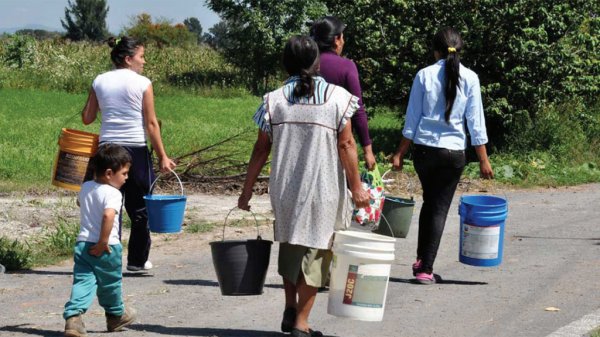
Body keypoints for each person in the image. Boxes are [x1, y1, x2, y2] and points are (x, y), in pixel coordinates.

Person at [238, 35, 370, 337]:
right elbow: (347, 143)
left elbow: (260, 149)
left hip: (285, 189)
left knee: (291, 246)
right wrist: (356, 186)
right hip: (322, 189)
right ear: (317, 62)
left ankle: (289, 308)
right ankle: (301, 322)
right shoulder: (338, 98)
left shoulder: (273, 100)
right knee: (316, 253)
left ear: (286, 63)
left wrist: (246, 191)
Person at [391, 27, 494, 285]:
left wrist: (400, 153)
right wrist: (483, 159)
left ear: (436, 50)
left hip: (425, 151)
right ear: (459, 49)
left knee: (430, 202)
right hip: (453, 153)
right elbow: (475, 122)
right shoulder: (471, 78)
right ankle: (425, 265)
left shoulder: (423, 75)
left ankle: (423, 261)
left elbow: (412, 120)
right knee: (437, 207)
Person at [81, 36, 176, 272]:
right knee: (141, 208)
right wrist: (163, 156)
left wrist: (95, 95)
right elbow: (151, 124)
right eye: (141, 57)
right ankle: (137, 260)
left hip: (107, 150)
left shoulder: (99, 80)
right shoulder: (143, 83)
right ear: (128, 58)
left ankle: (107, 258)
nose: (144, 62)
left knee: (107, 204)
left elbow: (87, 118)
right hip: (135, 149)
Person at [63, 144, 137, 337]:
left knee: (82, 281)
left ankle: (73, 318)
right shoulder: (113, 193)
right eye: (124, 173)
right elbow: (108, 216)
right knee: (110, 283)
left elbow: (81, 201)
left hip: (83, 244)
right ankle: (115, 315)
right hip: (106, 247)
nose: (126, 178)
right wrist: (103, 242)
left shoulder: (86, 187)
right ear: (109, 173)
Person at [310, 16, 377, 171]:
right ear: (336, 40)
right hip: (338, 143)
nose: (344, 42)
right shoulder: (346, 66)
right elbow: (357, 109)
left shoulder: (306, 64)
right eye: (343, 37)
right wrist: (368, 150)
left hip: (306, 140)